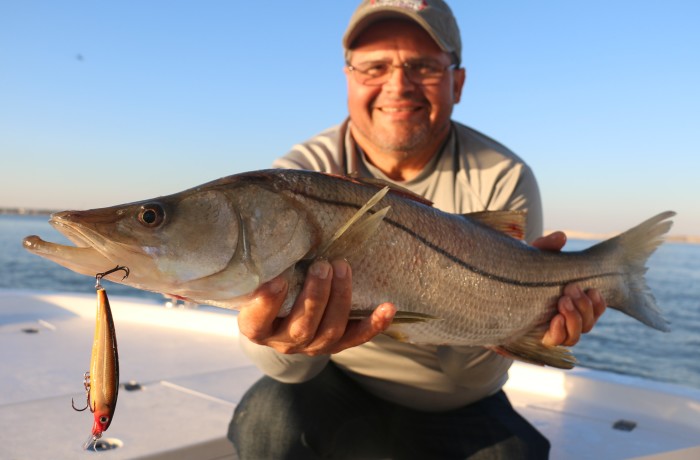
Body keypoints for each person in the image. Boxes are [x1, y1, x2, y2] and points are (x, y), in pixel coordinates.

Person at [228, 1, 606, 458]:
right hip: (337, 382)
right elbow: (289, 372)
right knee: (267, 424)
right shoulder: (298, 177)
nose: (398, 85)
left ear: (458, 82)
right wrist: (281, 338)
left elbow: (470, 378)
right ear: (348, 77)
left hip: (457, 400)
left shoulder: (504, 175)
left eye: (423, 66)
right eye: (375, 66)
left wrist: (520, 320)